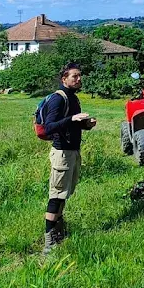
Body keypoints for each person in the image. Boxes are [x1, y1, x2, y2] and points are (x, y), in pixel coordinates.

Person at [43, 62, 96, 255]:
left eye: (80, 75)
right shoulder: (58, 99)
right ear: (64, 79)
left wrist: (85, 125)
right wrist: (71, 119)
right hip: (62, 153)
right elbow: (49, 127)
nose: (79, 79)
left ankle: (59, 232)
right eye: (75, 76)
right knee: (56, 196)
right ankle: (49, 242)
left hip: (72, 152)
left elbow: (71, 124)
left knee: (64, 194)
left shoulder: (73, 98)